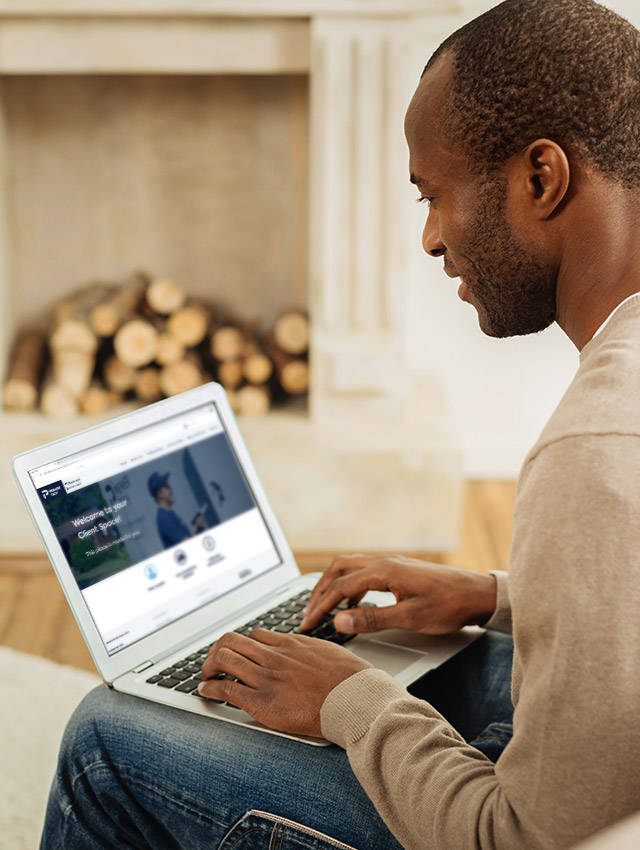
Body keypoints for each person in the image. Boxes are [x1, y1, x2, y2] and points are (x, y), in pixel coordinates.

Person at [40, 1, 640, 848]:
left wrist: (351, 704)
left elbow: (529, 842)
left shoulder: (597, 445)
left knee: (105, 737)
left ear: (541, 178)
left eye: (435, 196)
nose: (431, 240)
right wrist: (498, 597)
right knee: (462, 660)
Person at [147, 471, 194, 549]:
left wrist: (200, 528)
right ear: (160, 494)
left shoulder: (168, 514)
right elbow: (188, 546)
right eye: (167, 487)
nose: (171, 490)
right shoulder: (165, 518)